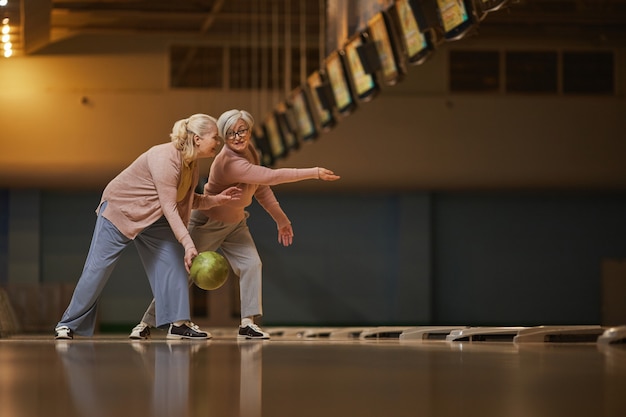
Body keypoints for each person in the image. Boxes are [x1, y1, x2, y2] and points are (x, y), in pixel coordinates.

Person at [130, 109, 340, 340]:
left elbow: (261, 188)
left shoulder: (251, 152)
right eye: (230, 133)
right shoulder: (228, 161)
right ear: (223, 136)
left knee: (252, 264)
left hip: (236, 223)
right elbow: (270, 177)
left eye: (242, 131)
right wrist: (313, 172)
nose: (237, 137)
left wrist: (281, 219)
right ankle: (145, 323)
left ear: (249, 131)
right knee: (183, 274)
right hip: (209, 222)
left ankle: (247, 323)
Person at [54, 114, 242, 340]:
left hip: (153, 217)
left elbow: (187, 200)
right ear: (198, 139)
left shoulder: (190, 165)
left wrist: (217, 200)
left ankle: (178, 324)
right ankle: (67, 324)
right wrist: (188, 242)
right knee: (98, 269)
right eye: (215, 138)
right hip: (121, 211)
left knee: (174, 261)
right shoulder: (165, 157)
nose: (218, 143)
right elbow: (170, 206)